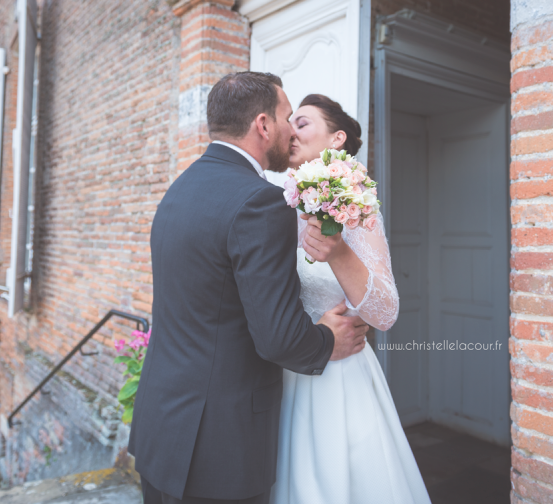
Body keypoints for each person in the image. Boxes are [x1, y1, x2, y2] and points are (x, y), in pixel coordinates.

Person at [129, 73, 370, 504]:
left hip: (161, 429)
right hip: (218, 447)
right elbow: (277, 337)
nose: (289, 130)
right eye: (285, 118)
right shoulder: (260, 202)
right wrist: (326, 339)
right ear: (262, 126)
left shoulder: (179, 190)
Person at [266, 94, 431, 504]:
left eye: (302, 123)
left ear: (337, 138)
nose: (290, 131)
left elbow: (386, 313)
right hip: (282, 374)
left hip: (337, 379)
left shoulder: (357, 206)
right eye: (290, 122)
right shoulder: (275, 204)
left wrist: (338, 252)